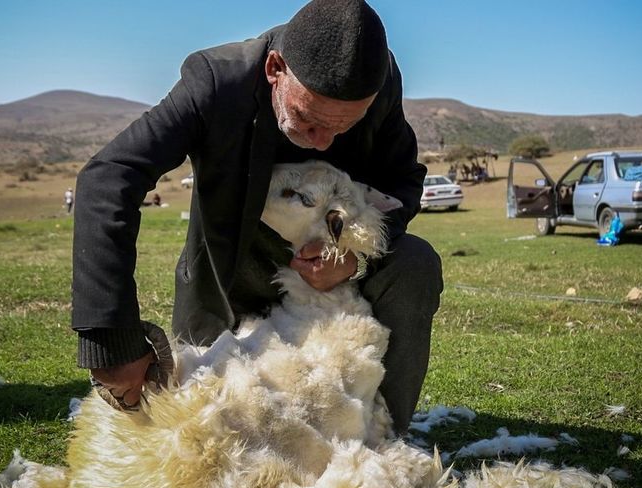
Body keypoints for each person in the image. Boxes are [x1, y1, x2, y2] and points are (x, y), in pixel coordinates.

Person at [72, 0, 443, 433]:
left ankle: (382, 442)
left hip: (334, 280)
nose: (322, 143)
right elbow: (110, 177)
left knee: (415, 263)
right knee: (209, 430)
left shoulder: (381, 80)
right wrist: (110, 342)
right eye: (308, 119)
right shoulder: (216, 81)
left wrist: (353, 257)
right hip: (232, 277)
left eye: (343, 127)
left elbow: (402, 178)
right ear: (274, 69)